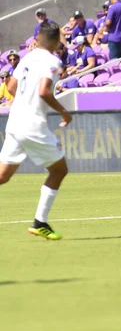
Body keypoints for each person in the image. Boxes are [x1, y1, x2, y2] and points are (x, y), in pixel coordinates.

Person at [0, 21, 72, 240]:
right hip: (32, 125)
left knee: (2, 176)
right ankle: (40, 222)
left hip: (14, 122)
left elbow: (11, 88)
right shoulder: (52, 60)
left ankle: (40, 222)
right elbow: (44, 92)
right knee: (59, 171)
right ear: (55, 41)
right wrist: (63, 112)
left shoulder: (28, 57)